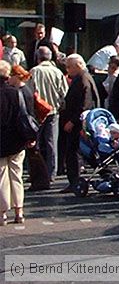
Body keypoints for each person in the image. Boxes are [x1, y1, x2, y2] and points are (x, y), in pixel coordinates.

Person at [25, 46, 68, 189]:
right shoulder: (58, 72)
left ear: (38, 57)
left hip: (37, 112)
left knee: (35, 144)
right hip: (53, 111)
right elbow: (64, 94)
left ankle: (36, 174)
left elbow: (30, 92)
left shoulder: (34, 71)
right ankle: (51, 174)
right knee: (51, 144)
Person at [59, 54, 99, 194]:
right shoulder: (82, 78)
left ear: (78, 66)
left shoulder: (82, 79)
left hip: (79, 123)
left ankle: (75, 181)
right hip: (79, 121)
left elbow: (85, 104)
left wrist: (73, 121)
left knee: (74, 151)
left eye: (69, 67)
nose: (68, 70)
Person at [0, 61, 32, 225]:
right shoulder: (15, 93)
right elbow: (24, 115)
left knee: (1, 178)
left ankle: (2, 213)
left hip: (1, 141)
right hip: (17, 140)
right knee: (16, 176)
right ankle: (19, 211)